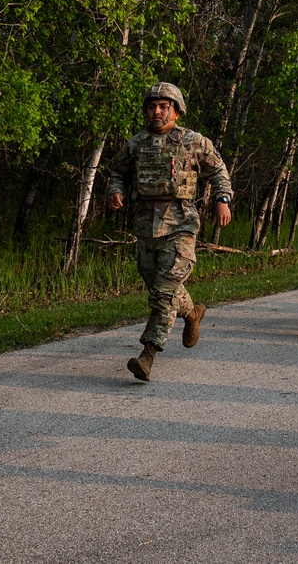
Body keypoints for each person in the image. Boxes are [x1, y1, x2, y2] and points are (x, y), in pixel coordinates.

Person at [108, 83, 233, 382]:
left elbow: (218, 171)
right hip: (145, 226)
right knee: (161, 286)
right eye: (152, 106)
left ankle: (147, 354)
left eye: (164, 106)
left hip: (181, 224)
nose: (157, 111)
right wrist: (115, 190)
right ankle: (192, 314)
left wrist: (222, 199)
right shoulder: (136, 143)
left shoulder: (194, 142)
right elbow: (119, 172)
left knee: (163, 293)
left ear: (177, 111)